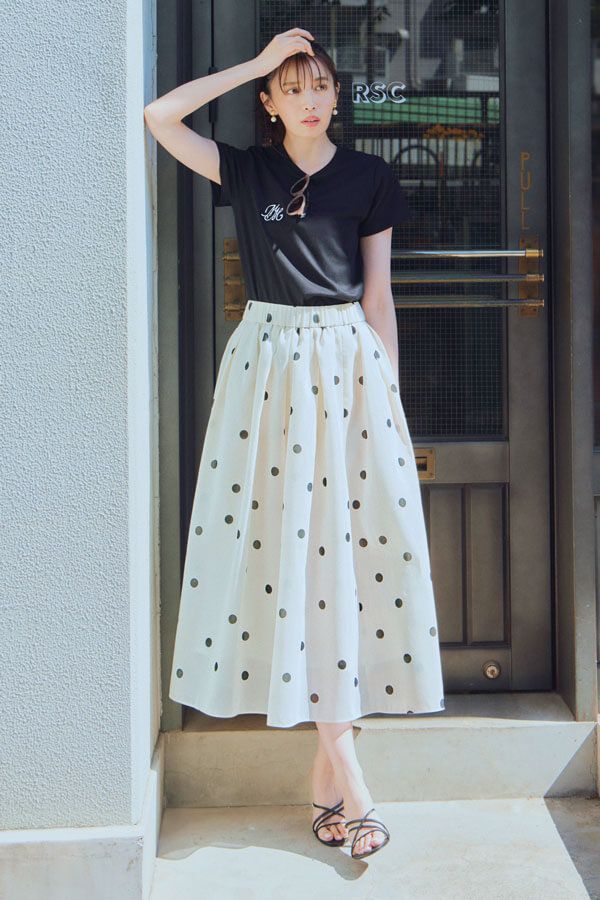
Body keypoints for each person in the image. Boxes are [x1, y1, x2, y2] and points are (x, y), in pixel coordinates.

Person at [144, 26, 445, 861]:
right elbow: (160, 117)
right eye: (291, 88)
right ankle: (350, 778)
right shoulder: (246, 169)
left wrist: (388, 396)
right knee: (291, 552)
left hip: (347, 365)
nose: (310, 101)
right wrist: (254, 62)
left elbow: (377, 295)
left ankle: (330, 772)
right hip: (269, 371)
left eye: (319, 87)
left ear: (336, 96)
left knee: (339, 557)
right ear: (270, 102)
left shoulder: (369, 177)